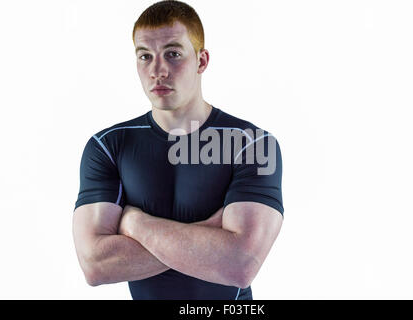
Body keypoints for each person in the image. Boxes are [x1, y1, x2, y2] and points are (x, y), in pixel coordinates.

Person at [72, 0, 284, 300]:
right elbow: (95, 266)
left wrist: (135, 222)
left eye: (173, 54)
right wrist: (209, 242)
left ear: (201, 60)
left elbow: (239, 264)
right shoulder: (108, 146)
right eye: (145, 56)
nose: (157, 70)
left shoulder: (252, 144)